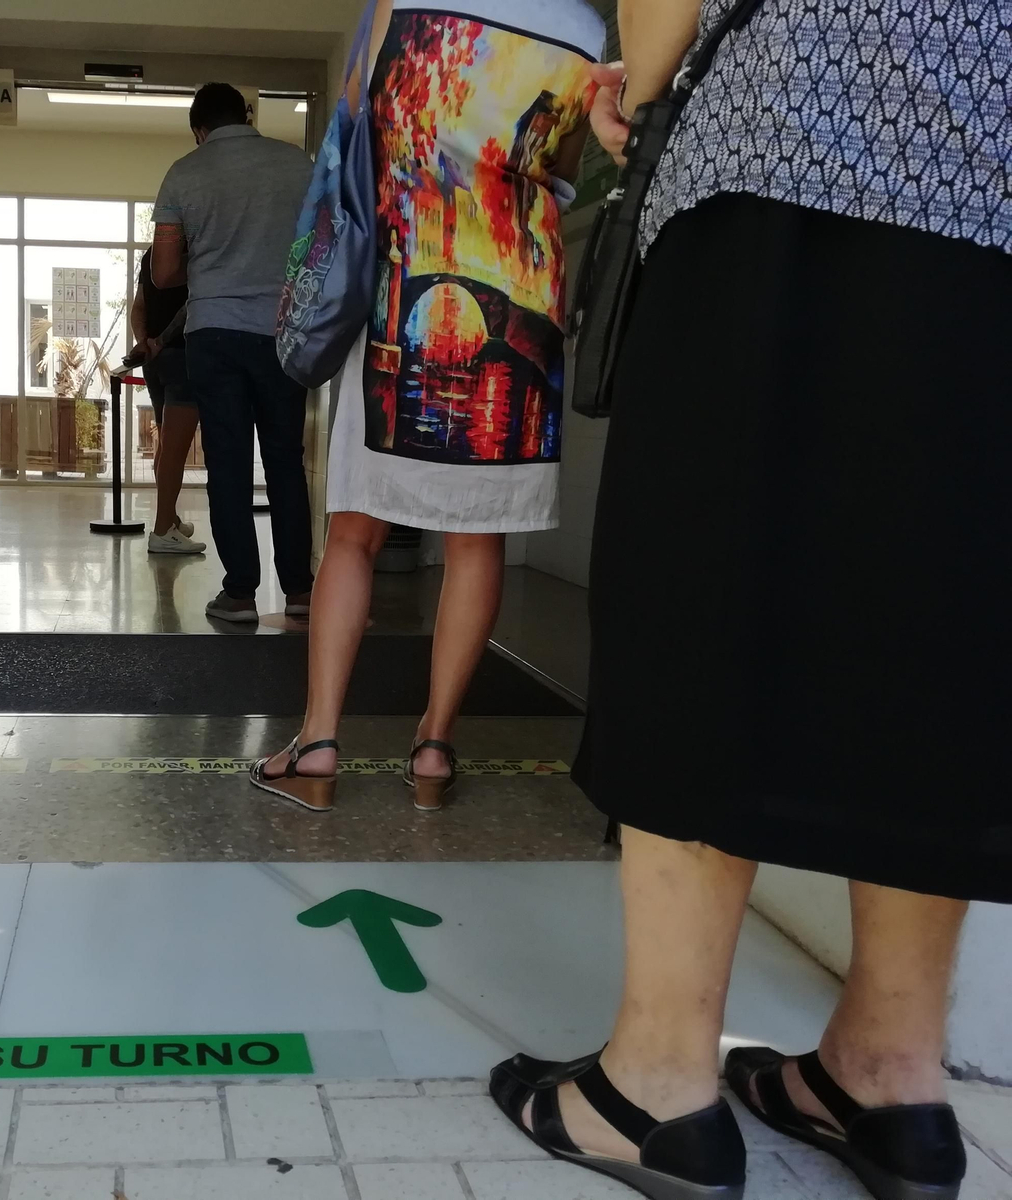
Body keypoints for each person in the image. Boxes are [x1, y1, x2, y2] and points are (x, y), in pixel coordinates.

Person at [489, 0, 1012, 1197]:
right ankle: (887, 1073)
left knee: (708, 586)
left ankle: (656, 1082)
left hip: (795, 144)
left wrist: (645, 75)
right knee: (941, 612)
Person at [251, 0, 603, 813]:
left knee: (355, 530)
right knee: (475, 542)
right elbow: (563, 173)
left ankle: (321, 736)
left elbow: (350, 139)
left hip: (399, 295)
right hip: (527, 301)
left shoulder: (400, 6)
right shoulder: (586, 30)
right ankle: (436, 744)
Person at [151, 82, 316, 623]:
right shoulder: (297, 164)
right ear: (247, 116)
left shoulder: (184, 171)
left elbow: (165, 271)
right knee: (286, 461)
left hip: (214, 333)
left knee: (227, 463)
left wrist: (210, 259)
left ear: (200, 129)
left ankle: (241, 593)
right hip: (281, 335)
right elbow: (323, 243)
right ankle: (299, 591)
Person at [130, 247, 205, 555]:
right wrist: (161, 342)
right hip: (183, 357)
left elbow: (138, 308)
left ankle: (170, 519)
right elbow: (192, 306)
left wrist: (145, 344)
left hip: (153, 360)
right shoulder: (197, 255)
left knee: (165, 442)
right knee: (175, 448)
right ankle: (162, 531)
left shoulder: (152, 256)